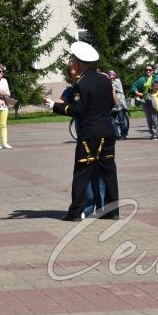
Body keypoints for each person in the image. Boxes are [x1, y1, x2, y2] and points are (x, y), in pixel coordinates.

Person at [46, 42, 119, 221]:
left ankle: (75, 212)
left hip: (90, 134)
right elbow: (111, 103)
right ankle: (112, 211)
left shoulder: (81, 84)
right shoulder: (104, 79)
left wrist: (54, 106)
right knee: (108, 172)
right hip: (107, 132)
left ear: (79, 63)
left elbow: (78, 110)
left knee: (81, 173)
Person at [130, 64, 158, 139]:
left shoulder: (157, 78)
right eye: (146, 70)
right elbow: (134, 86)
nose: (148, 71)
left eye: (150, 70)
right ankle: (153, 133)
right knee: (149, 117)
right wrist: (138, 93)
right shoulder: (142, 79)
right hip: (146, 99)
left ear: (152, 71)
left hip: (156, 99)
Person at [107, 70, 128, 140]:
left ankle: (123, 134)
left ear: (115, 76)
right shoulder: (108, 83)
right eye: (110, 77)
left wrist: (109, 84)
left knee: (122, 120)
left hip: (120, 104)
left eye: (113, 77)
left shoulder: (117, 82)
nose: (111, 78)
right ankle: (116, 135)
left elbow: (116, 89)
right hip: (112, 105)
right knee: (112, 121)